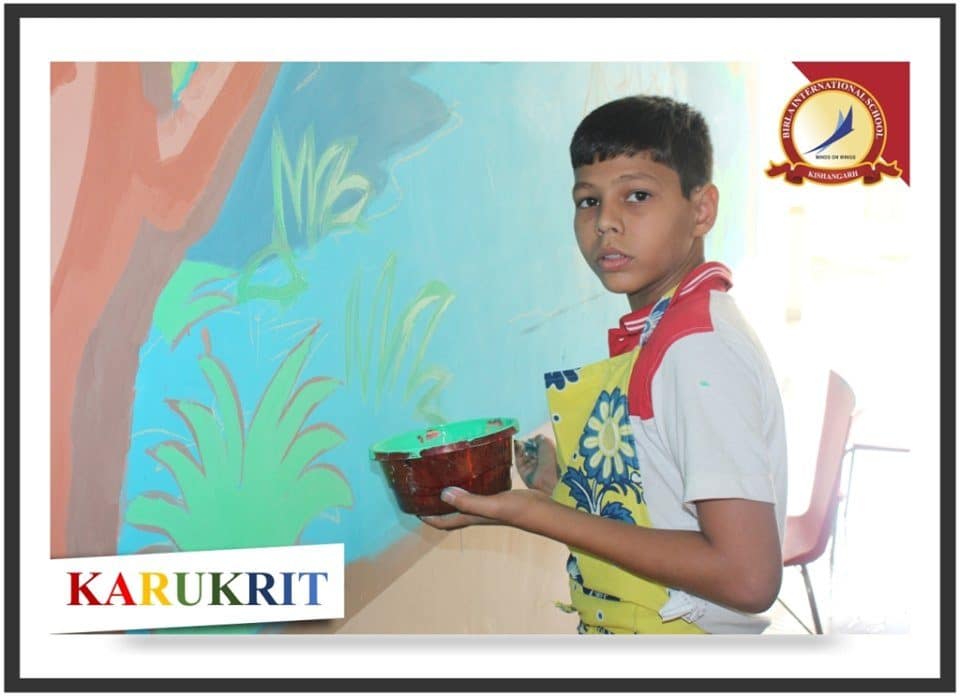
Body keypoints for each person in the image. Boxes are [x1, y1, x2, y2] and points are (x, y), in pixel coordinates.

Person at [421, 95, 788, 635]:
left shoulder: (697, 350)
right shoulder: (665, 326)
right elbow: (666, 496)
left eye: (637, 196)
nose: (605, 223)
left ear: (702, 209)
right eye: (588, 201)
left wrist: (536, 515)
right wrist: (564, 485)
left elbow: (748, 578)